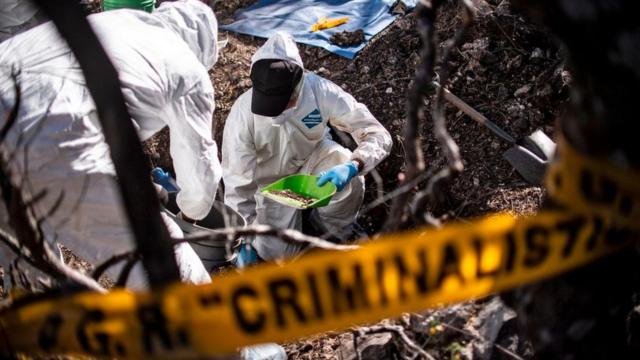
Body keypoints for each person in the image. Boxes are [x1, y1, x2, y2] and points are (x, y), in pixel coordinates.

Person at [0, 0, 222, 288]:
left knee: (30, 266)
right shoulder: (187, 68)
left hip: (10, 90)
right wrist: (189, 213)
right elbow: (200, 175)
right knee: (163, 257)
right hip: (44, 132)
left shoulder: (123, 23)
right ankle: (205, 327)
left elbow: (95, 107)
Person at [222, 32, 392, 262]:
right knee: (276, 256)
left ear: (298, 84)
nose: (279, 111)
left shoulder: (319, 91)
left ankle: (332, 233)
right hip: (269, 187)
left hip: (312, 164)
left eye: (284, 102)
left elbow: (377, 133)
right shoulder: (242, 116)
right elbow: (238, 185)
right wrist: (242, 240)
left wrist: (354, 165)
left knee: (346, 170)